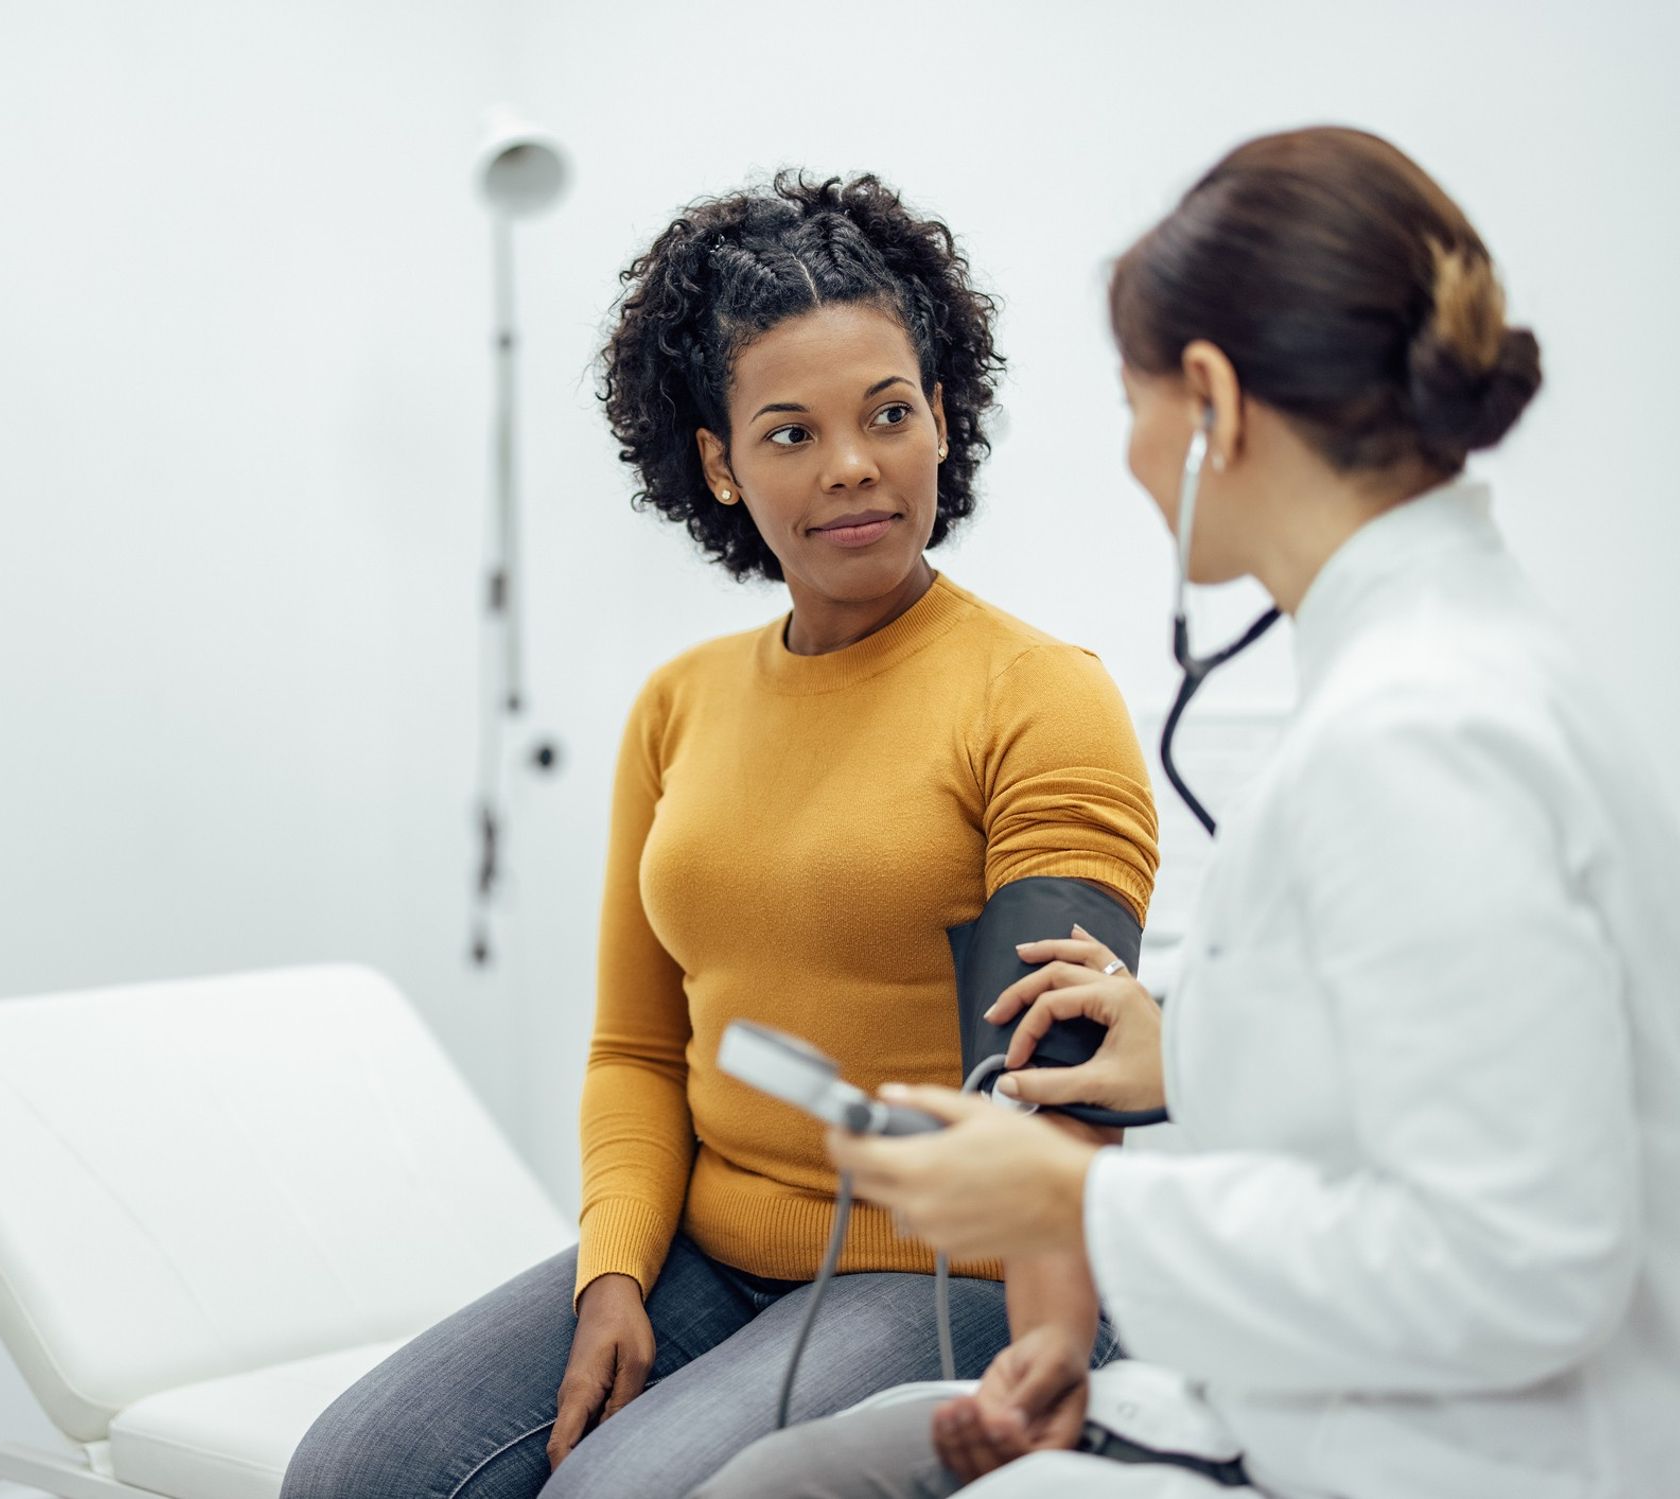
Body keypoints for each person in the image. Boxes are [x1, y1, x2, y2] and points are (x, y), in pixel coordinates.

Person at [694, 126, 1680, 1499]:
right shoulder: (1455, 673)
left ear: (1211, 399)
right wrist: (1195, 1054)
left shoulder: (1418, 735)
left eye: (1134, 399)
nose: (1136, 454)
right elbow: (1455, 1076)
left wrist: (1076, 1202)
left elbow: (1521, 1261)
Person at [278, 173, 1161, 1499]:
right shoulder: (679, 706)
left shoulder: (1038, 696)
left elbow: (1049, 1097)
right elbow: (636, 1046)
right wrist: (613, 1274)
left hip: (945, 1267)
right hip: (709, 1251)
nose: (853, 464)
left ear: (941, 419)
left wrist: (1052, 1345)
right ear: (719, 464)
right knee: (359, 1469)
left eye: (889, 413)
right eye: (791, 431)